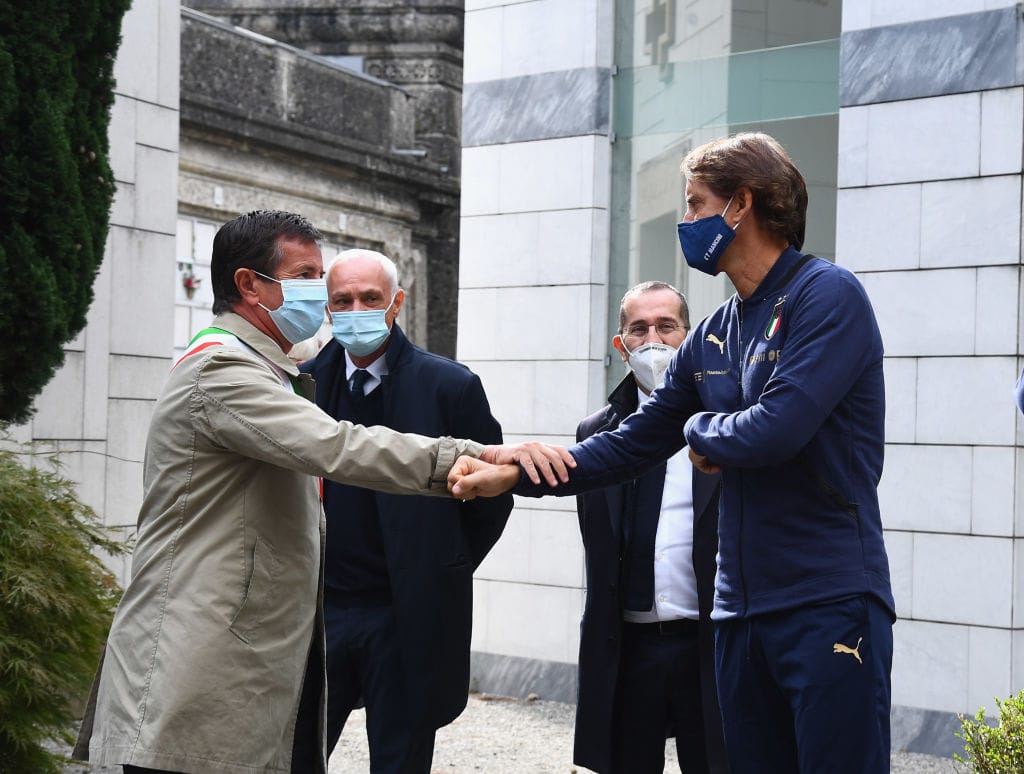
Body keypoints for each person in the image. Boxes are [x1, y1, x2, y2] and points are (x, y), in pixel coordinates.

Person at [450, 133, 895, 774]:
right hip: (737, 611)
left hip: (826, 598)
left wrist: (698, 432)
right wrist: (516, 471)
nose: (686, 223)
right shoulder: (715, 330)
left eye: (694, 204)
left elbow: (775, 430)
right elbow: (632, 442)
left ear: (740, 205)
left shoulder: (827, 296)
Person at [71, 210, 565, 774]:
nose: (327, 298)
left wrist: (441, 565)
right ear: (250, 285)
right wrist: (478, 454)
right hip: (202, 655)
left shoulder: (274, 369)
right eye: (308, 277)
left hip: (285, 637)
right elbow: (338, 446)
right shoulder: (222, 371)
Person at [299, 249, 512, 772]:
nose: (356, 310)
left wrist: (441, 564)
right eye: (342, 300)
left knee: (400, 757)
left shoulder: (450, 387)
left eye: (370, 299)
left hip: (406, 613)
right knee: (294, 753)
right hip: (317, 612)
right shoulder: (299, 387)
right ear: (327, 310)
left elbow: (491, 495)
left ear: (396, 303)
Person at [574, 281, 727, 774]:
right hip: (629, 648)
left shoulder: (726, 425)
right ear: (622, 346)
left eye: (667, 326)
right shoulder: (595, 433)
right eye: (638, 329)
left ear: (691, 338)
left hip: (709, 647)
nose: (653, 339)